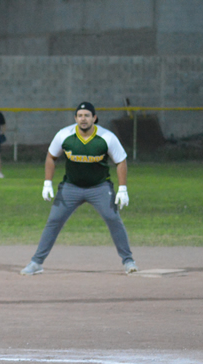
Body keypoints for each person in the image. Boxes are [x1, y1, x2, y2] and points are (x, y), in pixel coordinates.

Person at [20, 101, 138, 276]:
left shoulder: (106, 137)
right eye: (80, 116)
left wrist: (123, 189)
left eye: (87, 115)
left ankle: (128, 261)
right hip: (71, 187)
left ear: (94, 118)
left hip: (99, 187)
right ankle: (36, 262)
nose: (83, 119)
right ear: (75, 118)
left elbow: (121, 161)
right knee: (53, 221)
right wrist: (47, 183)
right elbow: (51, 157)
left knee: (113, 219)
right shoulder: (64, 135)